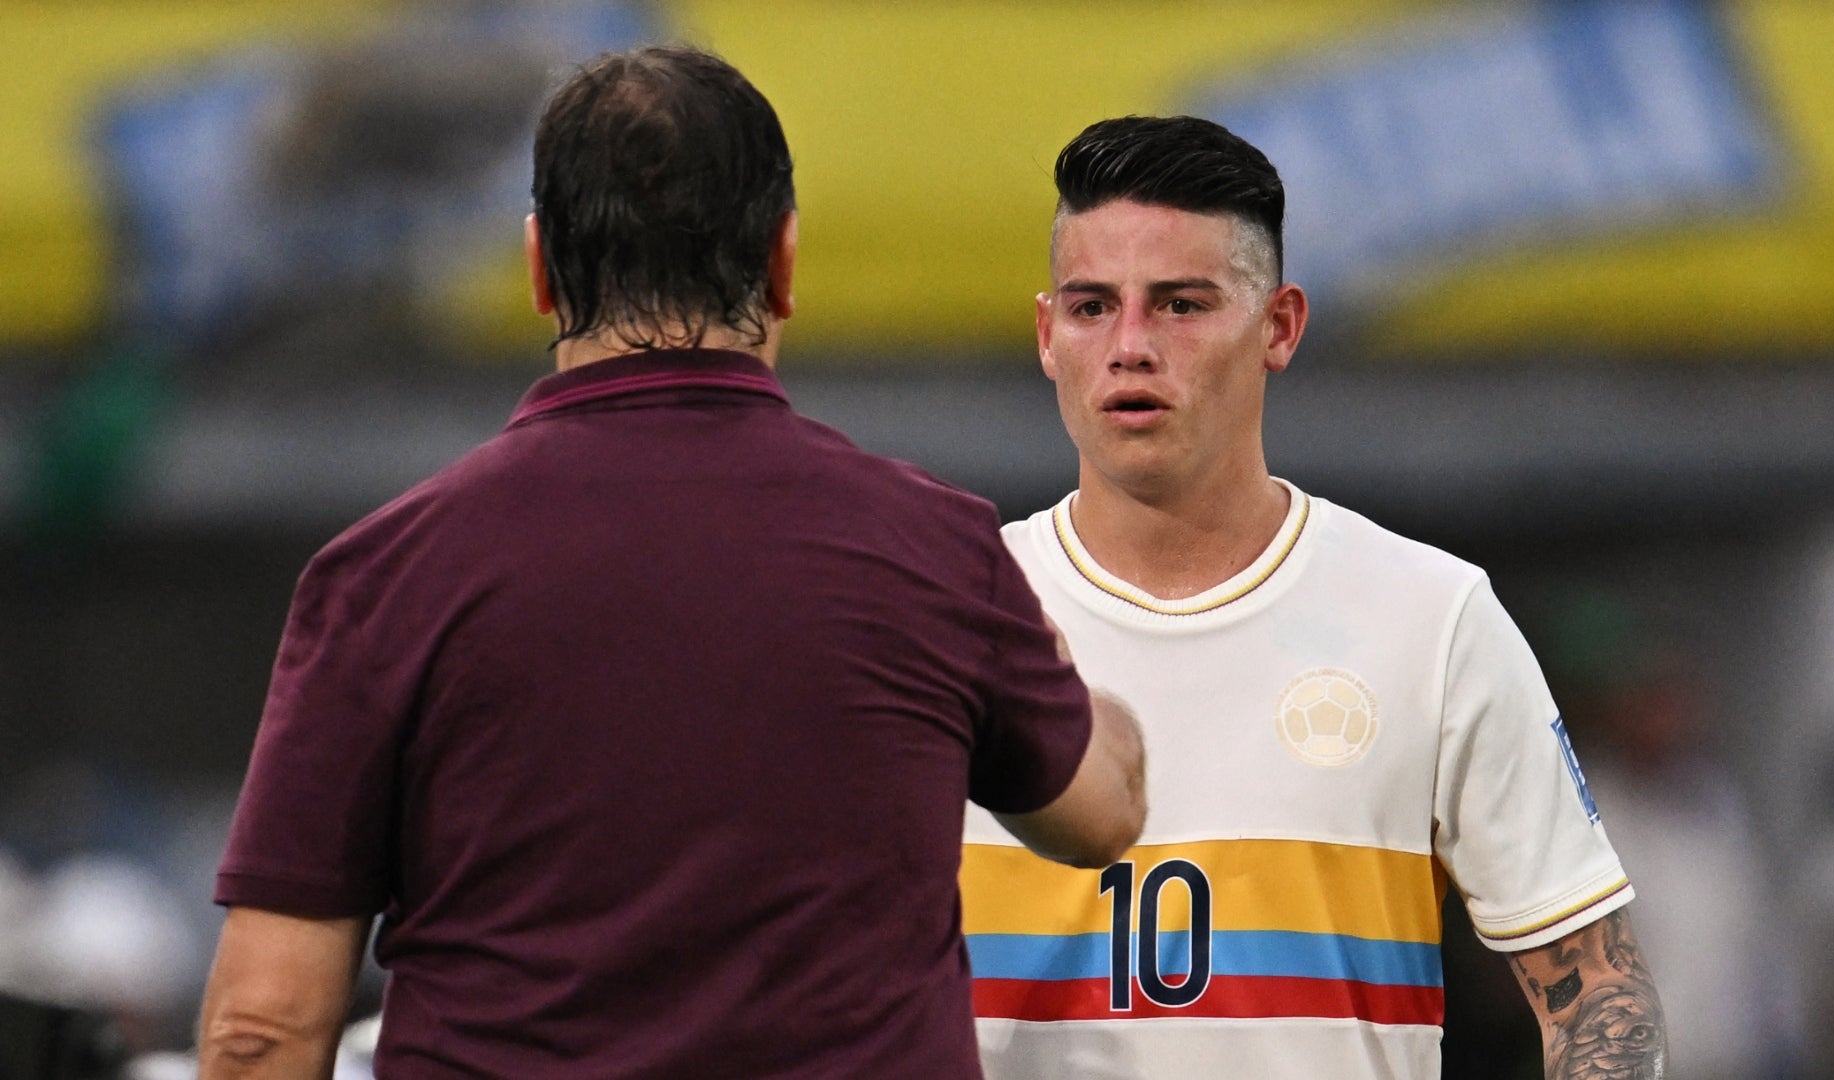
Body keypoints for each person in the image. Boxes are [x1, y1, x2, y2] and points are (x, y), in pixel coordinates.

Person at [196, 47, 1146, 1079]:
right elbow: (1102, 815)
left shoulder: (381, 575)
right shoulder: (935, 548)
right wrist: (1072, 681)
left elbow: (263, 1033)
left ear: (539, 269)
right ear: (783, 264)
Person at [958, 116, 1666, 1079]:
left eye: (1179, 305)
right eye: (1092, 307)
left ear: (1280, 327)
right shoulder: (946, 618)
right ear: (1047, 335)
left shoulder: (1433, 618)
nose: (1129, 345)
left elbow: (1602, 1002)